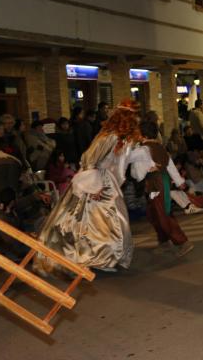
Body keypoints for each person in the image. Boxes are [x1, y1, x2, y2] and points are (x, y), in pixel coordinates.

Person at [34, 99, 146, 274]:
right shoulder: (110, 137)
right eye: (135, 116)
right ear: (127, 118)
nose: (138, 120)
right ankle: (98, 258)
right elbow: (89, 159)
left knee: (108, 222)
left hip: (106, 182)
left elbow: (119, 162)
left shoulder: (117, 137)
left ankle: (104, 258)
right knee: (97, 222)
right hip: (96, 182)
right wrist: (94, 186)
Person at [134, 121, 195, 257]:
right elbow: (170, 165)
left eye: (137, 132)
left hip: (156, 184)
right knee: (154, 214)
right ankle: (164, 242)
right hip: (159, 183)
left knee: (162, 215)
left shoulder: (142, 149)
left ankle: (182, 242)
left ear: (142, 134)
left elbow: (138, 174)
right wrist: (179, 181)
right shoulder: (158, 147)